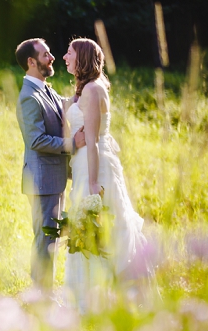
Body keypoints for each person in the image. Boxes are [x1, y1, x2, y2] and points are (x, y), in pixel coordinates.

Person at [61, 37, 150, 313]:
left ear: (82, 58)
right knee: (101, 231)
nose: (65, 57)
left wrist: (91, 183)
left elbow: (94, 141)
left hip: (93, 169)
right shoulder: (92, 88)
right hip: (91, 166)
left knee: (99, 231)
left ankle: (97, 302)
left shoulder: (91, 90)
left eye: (69, 52)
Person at [14, 38, 86, 292]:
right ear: (31, 62)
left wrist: (86, 89)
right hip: (42, 181)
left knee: (50, 239)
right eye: (46, 54)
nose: (52, 57)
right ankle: (40, 299)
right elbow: (36, 140)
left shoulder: (44, 89)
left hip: (52, 179)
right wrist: (72, 144)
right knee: (45, 240)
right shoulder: (28, 97)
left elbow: (64, 105)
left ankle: (42, 296)